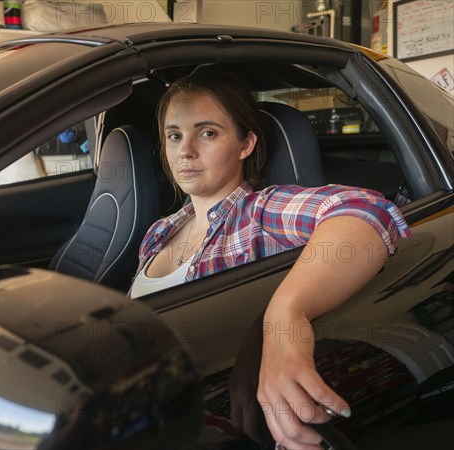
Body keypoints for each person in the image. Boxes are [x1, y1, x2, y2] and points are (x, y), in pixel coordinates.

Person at [129, 65, 410, 449]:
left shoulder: (259, 211)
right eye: (174, 135)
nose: (185, 150)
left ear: (245, 145)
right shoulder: (158, 232)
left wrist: (285, 314)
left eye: (207, 133)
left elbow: (365, 211)